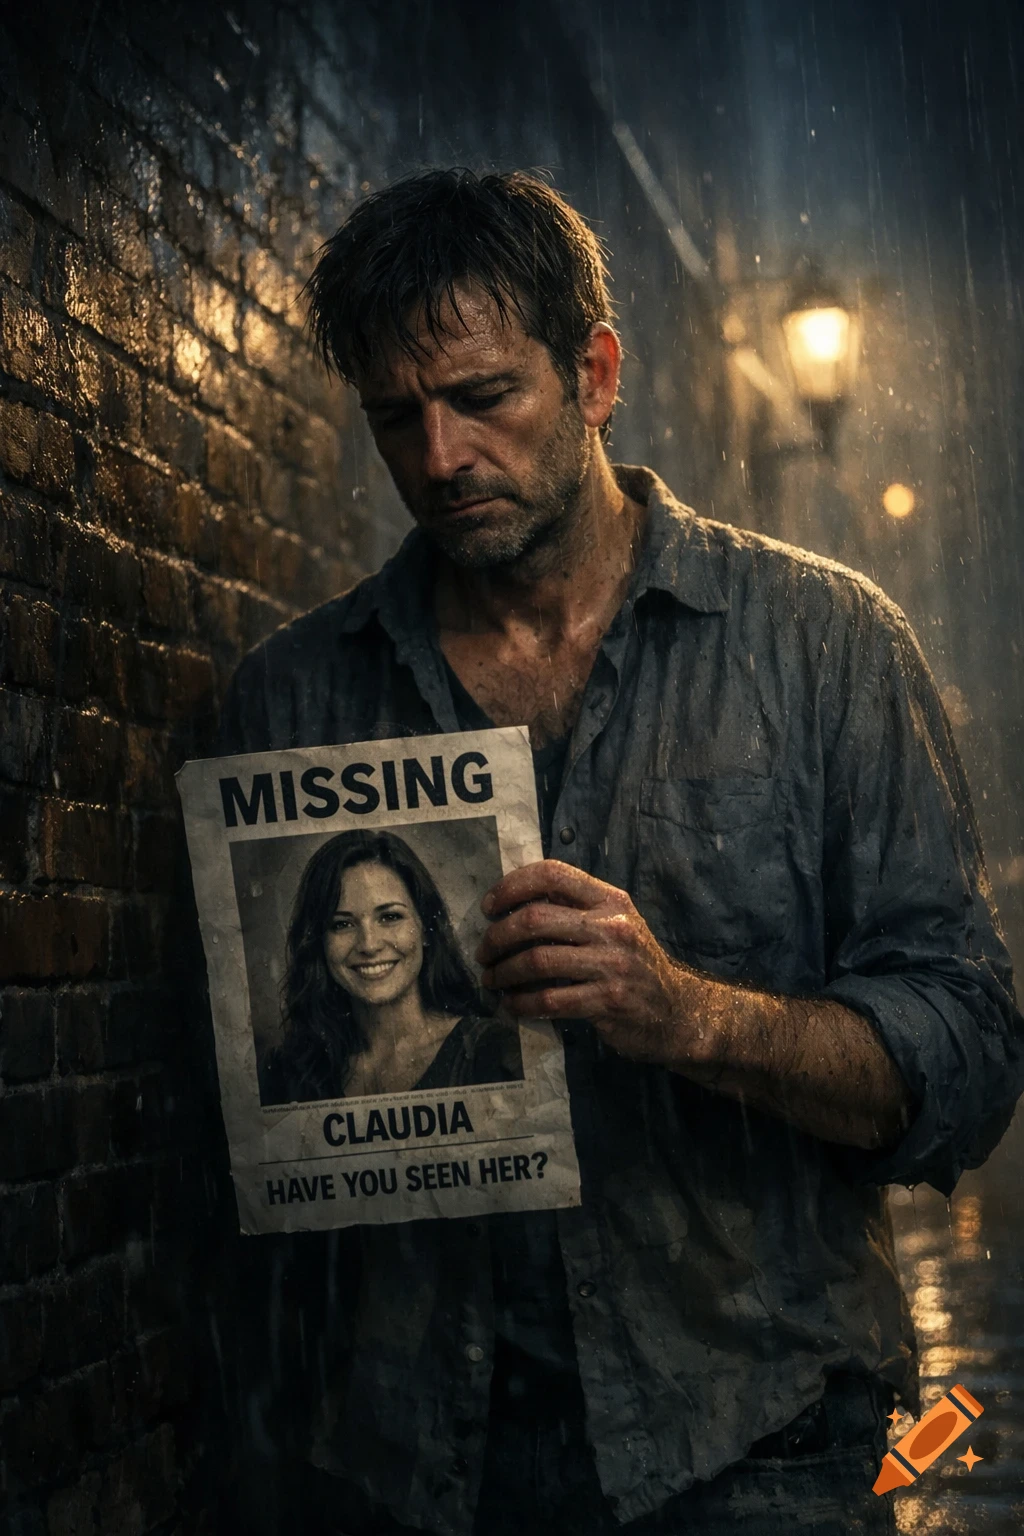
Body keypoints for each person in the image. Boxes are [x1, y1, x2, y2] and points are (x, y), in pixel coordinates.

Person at [216, 170, 1024, 1535]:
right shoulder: (295, 704)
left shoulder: (822, 648)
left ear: (595, 372)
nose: (442, 457)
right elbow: (239, 1158)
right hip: (418, 1468)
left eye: (484, 397)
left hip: (760, 1445)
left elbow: (968, 1058)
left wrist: (691, 1016)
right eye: (395, 418)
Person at [258, 829, 523, 1105]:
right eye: (342, 924)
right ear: (318, 943)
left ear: (425, 928)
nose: (369, 945)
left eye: (389, 916)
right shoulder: (285, 1073)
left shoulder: (490, 1051)